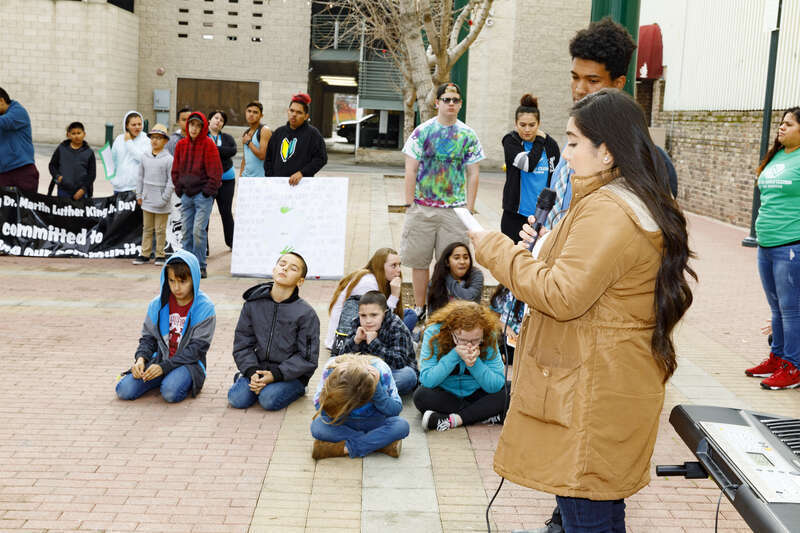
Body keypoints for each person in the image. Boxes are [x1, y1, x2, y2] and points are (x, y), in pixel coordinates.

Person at [470, 89, 695, 532]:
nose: (565, 155)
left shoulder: (610, 209)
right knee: (600, 510)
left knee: (587, 515)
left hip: (591, 390)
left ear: (607, 151)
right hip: (602, 381)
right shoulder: (615, 199)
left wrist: (496, 251)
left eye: (573, 143)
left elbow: (561, 294)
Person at [544, 17, 678, 232]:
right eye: (575, 77)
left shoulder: (647, 159)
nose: (579, 89)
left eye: (593, 81)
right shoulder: (569, 149)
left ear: (618, 84)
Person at [400, 82, 485, 321]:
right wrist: (409, 205)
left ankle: (447, 311)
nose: (450, 104)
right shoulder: (422, 132)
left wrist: (468, 208)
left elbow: (474, 173)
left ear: (460, 104)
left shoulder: (467, 135)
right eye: (446, 99)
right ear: (436, 102)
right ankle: (420, 308)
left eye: (455, 100)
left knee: (453, 263)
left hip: (454, 212)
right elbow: (410, 169)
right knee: (419, 261)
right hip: (423, 208)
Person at [745, 107, 800, 390]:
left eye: (789, 124)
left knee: (792, 311)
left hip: (791, 246)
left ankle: (794, 367)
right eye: (781, 123)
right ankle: (778, 359)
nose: (781, 127)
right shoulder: (778, 156)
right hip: (766, 245)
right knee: (777, 309)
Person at [116, 250, 216, 403]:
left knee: (170, 392)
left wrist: (164, 368)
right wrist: (141, 359)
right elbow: (148, 338)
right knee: (124, 390)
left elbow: (196, 350)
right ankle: (161, 378)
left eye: (183, 281)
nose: (176, 287)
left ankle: (175, 379)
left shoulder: (205, 308)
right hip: (160, 360)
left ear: (194, 279)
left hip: (189, 364)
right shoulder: (157, 304)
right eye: (171, 281)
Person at [228, 252, 321, 411]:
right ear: (274, 269)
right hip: (258, 368)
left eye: (293, 268)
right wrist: (251, 371)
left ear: (300, 281)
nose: (284, 268)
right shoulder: (253, 304)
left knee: (268, 400)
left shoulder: (306, 314)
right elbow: (242, 343)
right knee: (236, 399)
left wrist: (276, 375)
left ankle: (298, 389)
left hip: (289, 375)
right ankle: (248, 379)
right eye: (282, 263)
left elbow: (307, 358)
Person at [413, 301, 507, 432]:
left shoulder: (489, 334)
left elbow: (496, 385)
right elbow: (427, 379)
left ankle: (453, 420)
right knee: (421, 395)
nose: (469, 345)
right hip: (447, 394)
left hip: (477, 393)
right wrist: (455, 355)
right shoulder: (434, 333)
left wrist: (474, 363)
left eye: (475, 340)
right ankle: (484, 415)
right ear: (451, 331)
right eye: (462, 340)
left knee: (511, 391)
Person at [310, 353, 409, 459]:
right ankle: (380, 445)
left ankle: (342, 449)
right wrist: (332, 395)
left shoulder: (381, 369)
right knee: (317, 426)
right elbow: (320, 409)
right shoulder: (331, 367)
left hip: (374, 421)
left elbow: (395, 410)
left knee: (401, 425)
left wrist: (377, 389)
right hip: (343, 422)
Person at [501, 95, 560, 242]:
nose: (527, 129)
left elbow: (556, 177)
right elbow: (528, 165)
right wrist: (539, 140)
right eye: (522, 124)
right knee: (512, 260)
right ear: (516, 124)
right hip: (515, 216)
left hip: (542, 217)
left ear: (539, 124)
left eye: (532, 125)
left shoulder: (550, 145)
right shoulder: (511, 141)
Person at [171, 112, 222, 279]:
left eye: (198, 126)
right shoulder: (181, 145)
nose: (194, 128)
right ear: (187, 126)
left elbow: (216, 172)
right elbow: (175, 169)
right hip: (186, 195)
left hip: (202, 196)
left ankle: (200, 265)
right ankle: (187, 265)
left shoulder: (208, 144)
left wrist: (207, 192)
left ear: (202, 128)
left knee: (198, 231)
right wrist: (179, 188)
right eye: (191, 125)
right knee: (186, 231)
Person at [339, 291, 418, 395]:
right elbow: (340, 358)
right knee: (332, 365)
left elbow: (399, 362)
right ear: (359, 314)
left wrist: (373, 343)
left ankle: (365, 393)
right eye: (363, 315)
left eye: (374, 315)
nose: (368, 321)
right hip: (364, 372)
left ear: (384, 314)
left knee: (408, 375)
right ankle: (367, 391)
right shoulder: (357, 323)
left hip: (390, 373)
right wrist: (356, 340)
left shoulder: (396, 325)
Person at [325, 248, 404, 350]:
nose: (399, 270)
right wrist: (394, 296)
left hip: (364, 328)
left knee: (410, 314)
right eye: (393, 265)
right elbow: (381, 319)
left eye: (399, 265)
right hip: (346, 341)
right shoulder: (368, 283)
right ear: (380, 267)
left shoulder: (377, 278)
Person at [133, 124, 174, 266]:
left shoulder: (169, 159)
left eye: (159, 138)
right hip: (147, 198)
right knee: (147, 228)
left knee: (160, 229)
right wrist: (139, 194)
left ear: (165, 141)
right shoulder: (145, 157)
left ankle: (160, 254)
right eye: (153, 138)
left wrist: (165, 198)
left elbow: (171, 180)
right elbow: (140, 177)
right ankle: (145, 253)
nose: (155, 141)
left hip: (161, 199)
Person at [263, 93, 327, 184]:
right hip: (277, 185)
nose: (294, 114)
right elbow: (268, 158)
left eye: (299, 112)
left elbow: (321, 158)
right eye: (291, 110)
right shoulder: (279, 132)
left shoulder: (313, 134)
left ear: (306, 116)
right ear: (287, 111)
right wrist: (271, 177)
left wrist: (302, 173)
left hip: (301, 185)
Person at [207, 110, 237, 249]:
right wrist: (220, 150)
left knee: (226, 212)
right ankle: (203, 246)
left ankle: (232, 242)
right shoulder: (203, 137)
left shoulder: (227, 137)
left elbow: (232, 150)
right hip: (208, 180)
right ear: (209, 120)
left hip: (227, 179)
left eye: (222, 120)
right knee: (205, 212)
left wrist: (214, 149)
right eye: (216, 118)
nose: (218, 121)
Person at [0, 87, 39, 193]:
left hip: (22, 171)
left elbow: (5, 122)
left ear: (1, 101)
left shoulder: (18, 111)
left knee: (25, 209)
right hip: (3, 174)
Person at [48, 121, 96, 200]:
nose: (76, 136)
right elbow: (52, 165)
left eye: (79, 133)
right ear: (68, 135)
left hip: (82, 194)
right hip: (63, 191)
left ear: (84, 134)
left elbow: (91, 175)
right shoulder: (61, 149)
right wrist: (57, 176)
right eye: (73, 133)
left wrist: (83, 190)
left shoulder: (89, 152)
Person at [111, 111, 149, 194]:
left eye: (139, 124)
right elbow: (112, 161)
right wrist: (113, 180)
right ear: (126, 126)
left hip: (136, 188)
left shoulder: (146, 139)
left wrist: (129, 142)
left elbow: (143, 159)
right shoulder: (119, 139)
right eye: (133, 125)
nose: (137, 127)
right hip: (119, 188)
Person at [240, 101, 271, 177]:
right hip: (246, 177)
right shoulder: (246, 133)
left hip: (259, 179)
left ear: (261, 116)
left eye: (255, 112)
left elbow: (262, 156)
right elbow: (244, 159)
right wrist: (240, 177)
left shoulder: (264, 130)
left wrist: (249, 143)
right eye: (249, 111)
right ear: (245, 113)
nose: (251, 114)